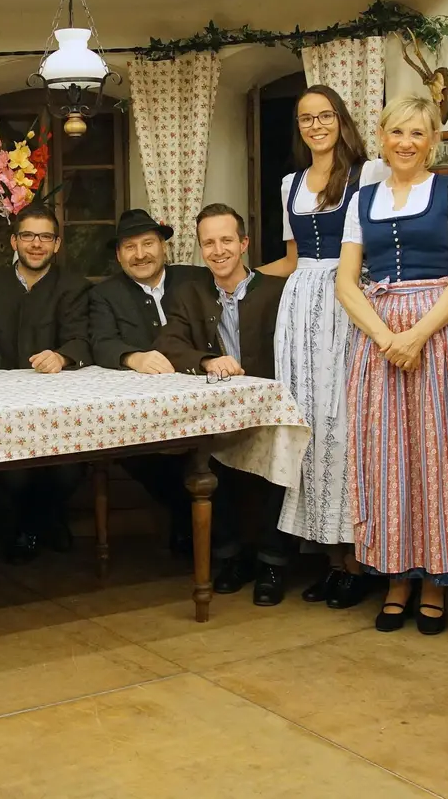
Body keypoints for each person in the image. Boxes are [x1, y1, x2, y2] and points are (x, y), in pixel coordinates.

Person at [336, 94, 448, 636]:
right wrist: (386, 338)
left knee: (438, 456)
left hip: (438, 335)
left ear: (433, 142)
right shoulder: (362, 200)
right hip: (378, 338)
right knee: (385, 458)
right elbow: (346, 283)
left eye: (418, 133)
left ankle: (436, 583)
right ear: (381, 137)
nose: (406, 143)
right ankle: (396, 579)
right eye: (397, 132)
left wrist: (417, 335)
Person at [256, 85, 390, 610]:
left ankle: (358, 562)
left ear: (341, 119)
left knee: (346, 427)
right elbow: (292, 260)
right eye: (306, 118)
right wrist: (238, 277)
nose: (316, 125)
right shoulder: (289, 183)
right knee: (308, 428)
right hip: (301, 308)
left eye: (324, 116)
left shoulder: (368, 173)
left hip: (349, 299)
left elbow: (379, 245)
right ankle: (332, 561)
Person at [154, 204, 289, 604]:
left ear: (244, 243)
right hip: (218, 415)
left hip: (272, 410)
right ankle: (231, 559)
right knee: (207, 463)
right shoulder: (190, 293)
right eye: (209, 243)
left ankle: (272, 564)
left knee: (279, 469)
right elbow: (168, 343)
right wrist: (207, 361)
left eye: (226, 240)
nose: (218, 250)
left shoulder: (277, 291)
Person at [0, 205, 91, 563]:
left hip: (59, 405)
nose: (36, 244)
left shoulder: (75, 287)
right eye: (28, 236)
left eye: (45, 237)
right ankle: (27, 527)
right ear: (14, 241)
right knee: (13, 474)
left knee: (68, 470)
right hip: (0, 406)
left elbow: (84, 338)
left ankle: (43, 519)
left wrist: (63, 356)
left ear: (57, 244)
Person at [87, 208, 206, 556]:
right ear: (118, 255)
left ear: (163, 247)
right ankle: (187, 520)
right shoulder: (104, 294)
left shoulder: (196, 279)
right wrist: (133, 357)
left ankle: (217, 538)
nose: (140, 254)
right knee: (133, 452)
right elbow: (101, 342)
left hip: (200, 398)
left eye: (148, 244)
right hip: (146, 412)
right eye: (130, 247)